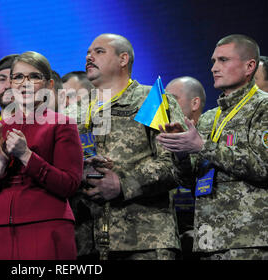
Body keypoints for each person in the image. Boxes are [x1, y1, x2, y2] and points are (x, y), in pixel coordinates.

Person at [70, 33, 186, 260]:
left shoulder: (152, 99)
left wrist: (123, 183)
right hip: (86, 245)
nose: (89, 57)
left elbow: (174, 165)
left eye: (99, 51)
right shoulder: (73, 112)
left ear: (123, 59)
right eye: (87, 53)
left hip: (144, 242)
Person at [157, 34, 268, 260]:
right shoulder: (209, 118)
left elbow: (263, 166)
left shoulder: (263, 107)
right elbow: (189, 181)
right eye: (214, 61)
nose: (214, 68)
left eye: (223, 60)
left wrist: (203, 145)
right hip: (207, 241)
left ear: (249, 66)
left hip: (249, 241)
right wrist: (180, 152)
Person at [0, 51, 83, 260]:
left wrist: (27, 156)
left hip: (47, 226)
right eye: (19, 77)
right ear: (11, 83)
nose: (25, 83)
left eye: (34, 77)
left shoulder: (62, 124)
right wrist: (0, 167)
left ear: (49, 85)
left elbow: (69, 184)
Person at [165, 76, 206, 260]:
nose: (166, 106)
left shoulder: (211, 134)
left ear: (195, 103)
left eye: (172, 99)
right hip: (171, 239)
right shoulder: (161, 138)